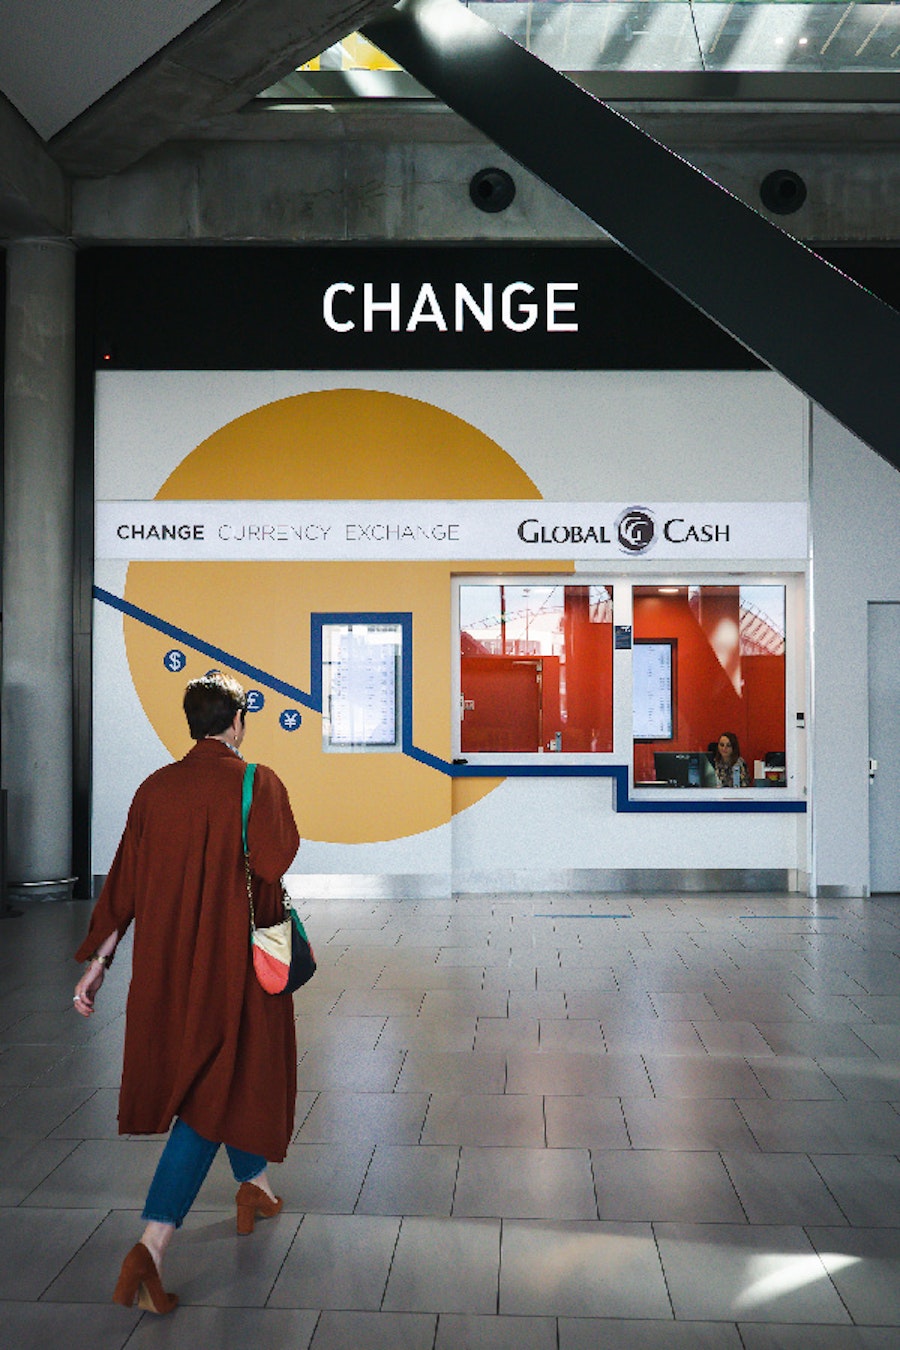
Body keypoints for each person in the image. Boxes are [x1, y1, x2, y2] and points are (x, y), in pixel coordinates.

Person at [73, 672, 300, 1315]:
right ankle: (151, 1246)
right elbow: (276, 861)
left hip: (169, 969)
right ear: (236, 723)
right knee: (214, 1090)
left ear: (192, 723)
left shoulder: (154, 789)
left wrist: (98, 963)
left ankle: (254, 1187)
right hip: (235, 968)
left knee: (221, 1074)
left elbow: (125, 883)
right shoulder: (257, 782)